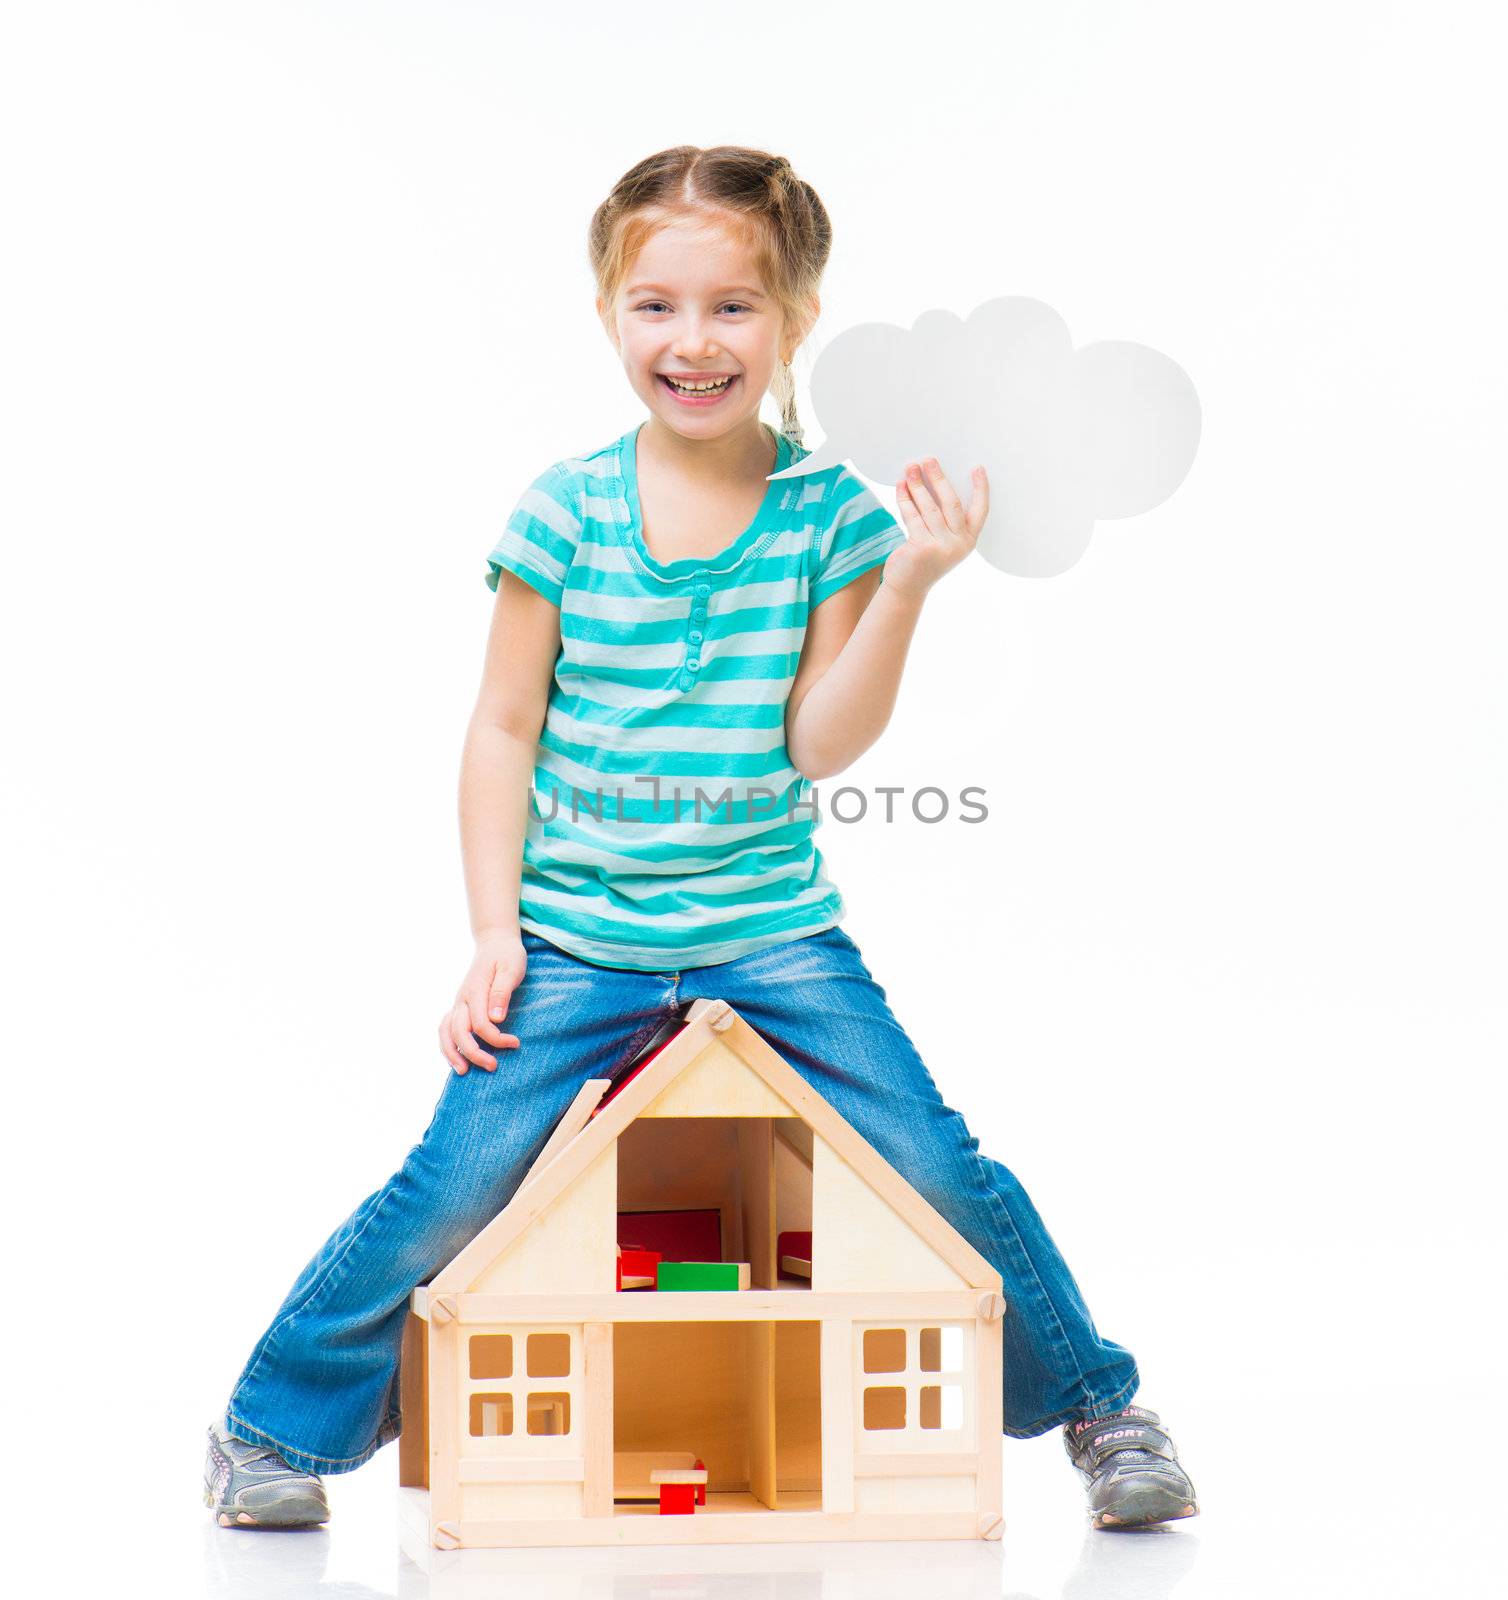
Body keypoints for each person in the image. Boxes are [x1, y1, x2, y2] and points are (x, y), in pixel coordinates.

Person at [204, 144, 1199, 1536]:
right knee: (458, 1181)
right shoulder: (562, 513)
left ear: (793, 319)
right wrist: (497, 933)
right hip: (580, 938)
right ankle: (268, 1428)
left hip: (771, 931)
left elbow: (818, 745)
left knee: (927, 1158)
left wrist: (910, 585)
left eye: (733, 306)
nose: (693, 341)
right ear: (611, 316)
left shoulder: (827, 519)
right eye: (656, 307)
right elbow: (499, 732)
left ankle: (1103, 1408)